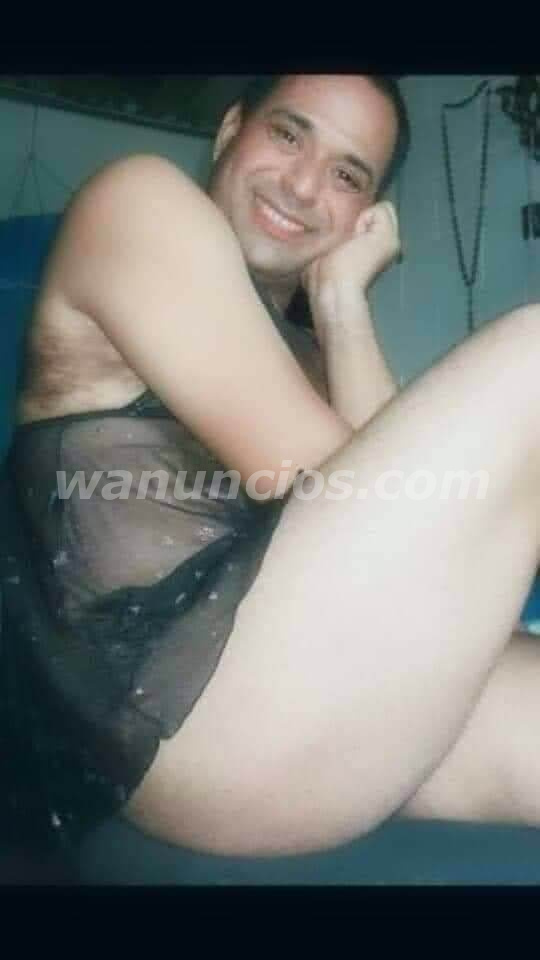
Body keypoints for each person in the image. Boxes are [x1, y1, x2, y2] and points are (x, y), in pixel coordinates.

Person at [6, 73, 540, 859]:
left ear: (364, 214)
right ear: (231, 130)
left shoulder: (304, 354)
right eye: (289, 134)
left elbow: (395, 524)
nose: (303, 185)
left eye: (348, 175)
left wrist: (340, 303)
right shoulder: (139, 205)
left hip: (309, 708)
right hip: (183, 718)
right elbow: (388, 518)